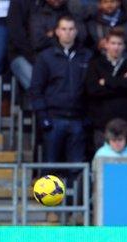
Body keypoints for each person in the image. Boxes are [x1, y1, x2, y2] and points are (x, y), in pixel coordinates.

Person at [30, 14, 92, 164]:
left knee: (76, 168)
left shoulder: (87, 56)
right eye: (64, 29)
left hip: (78, 119)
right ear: (57, 31)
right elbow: (36, 89)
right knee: (50, 166)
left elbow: (90, 90)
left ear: (76, 31)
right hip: (53, 118)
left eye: (71, 29)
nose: (68, 32)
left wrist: (87, 117)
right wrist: (43, 117)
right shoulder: (45, 57)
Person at [85, 28, 127, 149]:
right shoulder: (95, 64)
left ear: (124, 46)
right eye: (113, 43)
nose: (116, 47)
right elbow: (93, 90)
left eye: (119, 44)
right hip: (102, 124)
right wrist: (122, 82)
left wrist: (106, 82)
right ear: (106, 44)